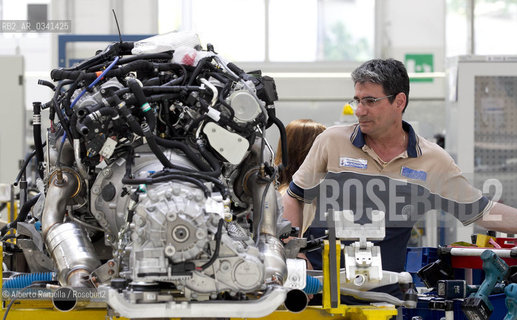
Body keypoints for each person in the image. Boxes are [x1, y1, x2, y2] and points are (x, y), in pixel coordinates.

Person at [282, 58, 517, 300]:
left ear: (399, 101)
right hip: (318, 294)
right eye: (357, 100)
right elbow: (293, 197)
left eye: (370, 101)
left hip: (384, 301)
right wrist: (295, 256)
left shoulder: (433, 161)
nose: (360, 110)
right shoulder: (332, 142)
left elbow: (482, 211)